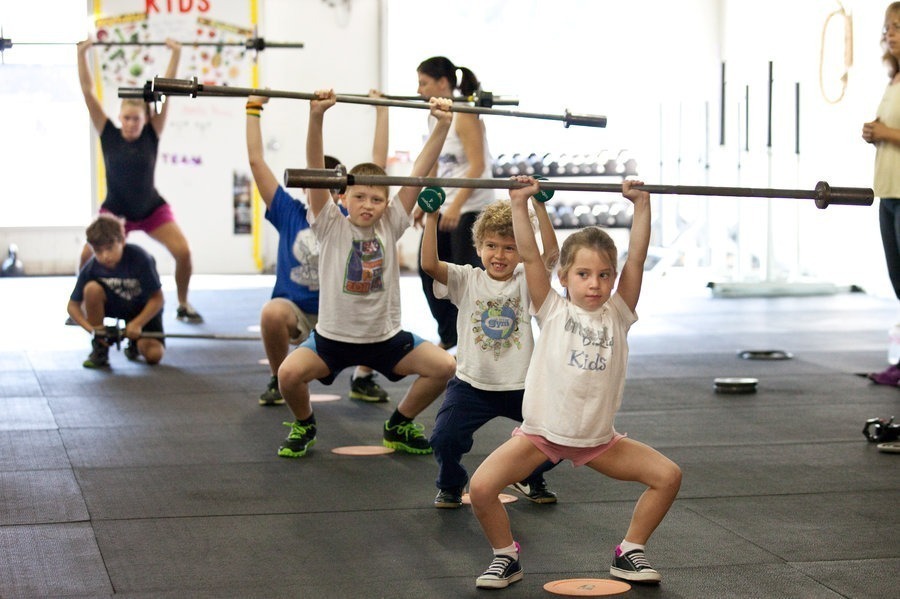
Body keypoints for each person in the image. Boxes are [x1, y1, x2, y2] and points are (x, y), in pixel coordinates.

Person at [468, 176, 682, 589]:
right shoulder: (551, 309)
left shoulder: (618, 314)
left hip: (598, 440)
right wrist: (518, 202)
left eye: (604, 275)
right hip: (541, 437)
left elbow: (637, 259)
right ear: (564, 276)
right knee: (480, 488)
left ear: (614, 278)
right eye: (583, 274)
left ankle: (630, 551)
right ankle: (505, 556)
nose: (594, 283)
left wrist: (641, 205)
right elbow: (531, 257)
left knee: (668, 476)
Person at [273, 90, 457, 458]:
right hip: (333, 339)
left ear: (387, 204)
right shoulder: (330, 224)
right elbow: (316, 171)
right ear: (342, 197)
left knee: (444, 367)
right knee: (288, 375)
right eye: (359, 197)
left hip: (384, 338)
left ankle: (399, 423)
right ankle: (304, 423)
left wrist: (442, 125)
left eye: (376, 199)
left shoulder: (391, 224)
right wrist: (316, 116)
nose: (368, 205)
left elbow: (418, 173)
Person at [246, 92, 391, 406]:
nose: (323, 192)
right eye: (315, 185)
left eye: (332, 187)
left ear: (342, 191)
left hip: (343, 312)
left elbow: (378, 168)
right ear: (304, 186)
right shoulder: (288, 211)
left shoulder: (352, 219)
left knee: (378, 302)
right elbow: (257, 162)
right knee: (272, 312)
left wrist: (382, 110)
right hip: (299, 312)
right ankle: (278, 378)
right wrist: (252, 108)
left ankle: (363, 377)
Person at [422, 196, 560, 508]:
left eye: (510, 248)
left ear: (521, 251)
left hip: (522, 385)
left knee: (562, 433)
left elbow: (551, 256)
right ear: (478, 246)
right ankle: (451, 483)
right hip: (471, 385)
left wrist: (539, 206)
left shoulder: (527, 278)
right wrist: (432, 216)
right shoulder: (466, 279)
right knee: (443, 439)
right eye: (492, 246)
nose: (499, 255)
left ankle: (529, 475)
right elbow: (429, 265)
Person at [77, 38, 203, 324]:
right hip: (115, 211)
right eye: (127, 118)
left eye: (136, 119)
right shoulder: (108, 133)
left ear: (145, 118)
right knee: (86, 254)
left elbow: (168, 92)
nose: (131, 124)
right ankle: (81, 303)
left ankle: (183, 304)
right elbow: (87, 91)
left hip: (150, 209)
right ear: (119, 117)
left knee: (183, 252)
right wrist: (81, 53)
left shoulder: (151, 133)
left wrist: (176, 53)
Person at [414, 56, 496, 350]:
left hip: (470, 207)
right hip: (446, 205)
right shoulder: (435, 116)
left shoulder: (464, 114)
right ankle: (450, 335)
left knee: (465, 275)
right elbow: (435, 166)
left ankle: (475, 340)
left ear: (443, 83)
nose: (419, 90)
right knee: (428, 269)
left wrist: (456, 207)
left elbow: (477, 166)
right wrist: (424, 203)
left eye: (424, 83)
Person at [67, 214, 165, 369]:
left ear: (122, 241)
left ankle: (134, 343)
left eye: (109, 248)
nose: (105, 256)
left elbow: (158, 299)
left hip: (142, 311)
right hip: (116, 306)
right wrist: (92, 330)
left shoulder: (141, 259)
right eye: (98, 251)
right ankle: (100, 347)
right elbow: (72, 306)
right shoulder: (91, 268)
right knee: (91, 289)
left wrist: (137, 324)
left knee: (154, 355)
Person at [863, 2, 900, 387]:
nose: (890, 33)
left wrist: (886, 133)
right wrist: (876, 132)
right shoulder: (893, 80)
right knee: (899, 282)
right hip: (889, 191)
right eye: (888, 27)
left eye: (898, 27)